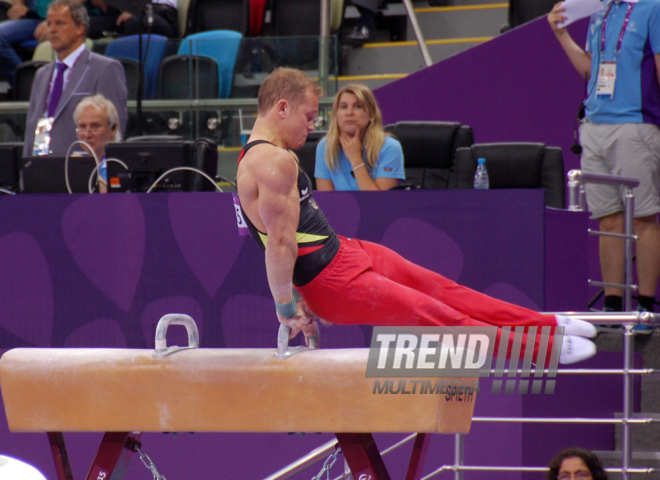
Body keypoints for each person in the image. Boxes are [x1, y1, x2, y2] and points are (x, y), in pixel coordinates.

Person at [235, 67, 598, 365]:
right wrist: (287, 308)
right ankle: (542, 351)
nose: (312, 126)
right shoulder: (272, 162)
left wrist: (297, 295)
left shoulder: (265, 157)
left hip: (344, 252)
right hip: (332, 281)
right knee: (434, 315)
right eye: (309, 116)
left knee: (445, 290)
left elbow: (285, 237)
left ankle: (546, 324)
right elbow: (280, 244)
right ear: (282, 108)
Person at [548, 0, 660, 318]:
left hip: (635, 125)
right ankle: (612, 307)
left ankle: (645, 307)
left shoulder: (653, 9)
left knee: (643, 217)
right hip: (594, 126)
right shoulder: (599, 10)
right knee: (608, 219)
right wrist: (561, 35)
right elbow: (590, 69)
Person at [23, 0, 127, 157]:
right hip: (41, 169)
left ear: (79, 28)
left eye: (60, 23)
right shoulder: (42, 75)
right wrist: (28, 171)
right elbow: (34, 128)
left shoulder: (105, 69)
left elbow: (115, 131)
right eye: (49, 24)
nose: (52, 30)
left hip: (83, 172)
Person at [315, 84, 405, 191]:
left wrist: (355, 159)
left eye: (358, 106)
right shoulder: (325, 146)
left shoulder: (389, 148)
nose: (349, 113)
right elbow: (326, 202)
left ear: (371, 115)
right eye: (343, 106)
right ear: (336, 115)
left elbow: (380, 203)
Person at [73, 94, 121, 193]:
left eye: (95, 126)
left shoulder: (121, 164)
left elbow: (111, 198)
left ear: (113, 129)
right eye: (82, 127)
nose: (87, 134)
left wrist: (85, 171)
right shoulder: (74, 162)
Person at [86, 0, 179, 39]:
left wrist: (137, 9)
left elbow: (166, 5)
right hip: (125, 16)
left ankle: (133, 69)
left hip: (162, 15)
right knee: (85, 25)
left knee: (132, 21)